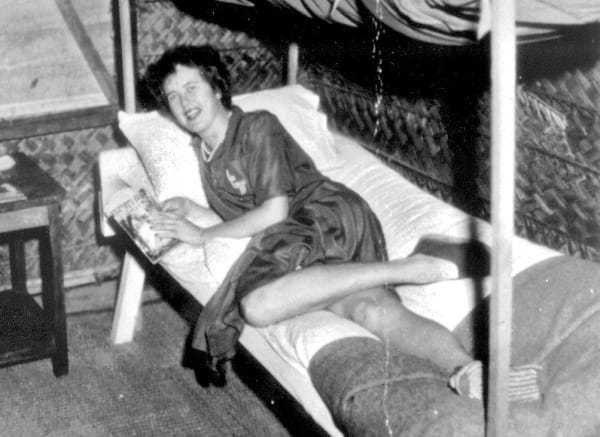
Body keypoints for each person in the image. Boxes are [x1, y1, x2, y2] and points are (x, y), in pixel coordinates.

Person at [145, 45, 529, 401]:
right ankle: (464, 369)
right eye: (173, 96)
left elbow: (275, 211)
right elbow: (247, 213)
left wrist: (203, 234)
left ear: (216, 87)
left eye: (191, 87)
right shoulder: (205, 149)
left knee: (258, 306)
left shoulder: (255, 126)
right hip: (291, 241)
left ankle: (408, 268)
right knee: (368, 310)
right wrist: (192, 209)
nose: (184, 102)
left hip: (322, 218)